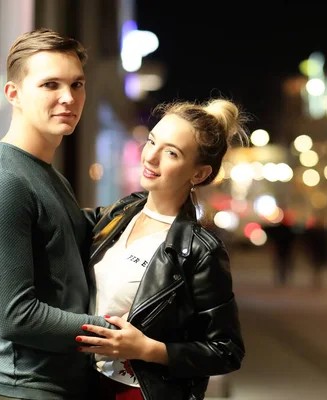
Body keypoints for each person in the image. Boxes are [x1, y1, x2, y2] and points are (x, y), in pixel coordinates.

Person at [0, 28, 114, 400]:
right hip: (18, 390)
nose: (68, 98)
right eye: (50, 85)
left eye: (77, 84)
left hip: (55, 385)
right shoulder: (2, 182)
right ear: (14, 94)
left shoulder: (43, 172)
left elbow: (77, 229)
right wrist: (110, 332)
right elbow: (16, 315)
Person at [76, 99, 248, 400]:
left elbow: (226, 350)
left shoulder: (198, 250)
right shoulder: (121, 213)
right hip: (87, 383)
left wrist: (147, 349)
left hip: (140, 392)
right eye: (151, 141)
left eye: (171, 152)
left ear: (199, 173)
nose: (151, 157)